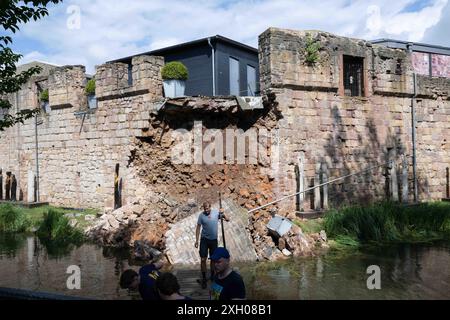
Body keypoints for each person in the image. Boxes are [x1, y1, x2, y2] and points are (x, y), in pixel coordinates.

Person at [195, 201, 229, 289]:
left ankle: (212, 276)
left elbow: (227, 219)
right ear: (203, 208)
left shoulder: (216, 213)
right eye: (205, 209)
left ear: (210, 207)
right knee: (203, 259)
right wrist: (196, 240)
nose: (206, 210)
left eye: (208, 208)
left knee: (213, 260)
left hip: (213, 240)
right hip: (204, 240)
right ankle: (204, 278)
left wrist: (223, 213)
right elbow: (198, 227)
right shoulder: (201, 216)